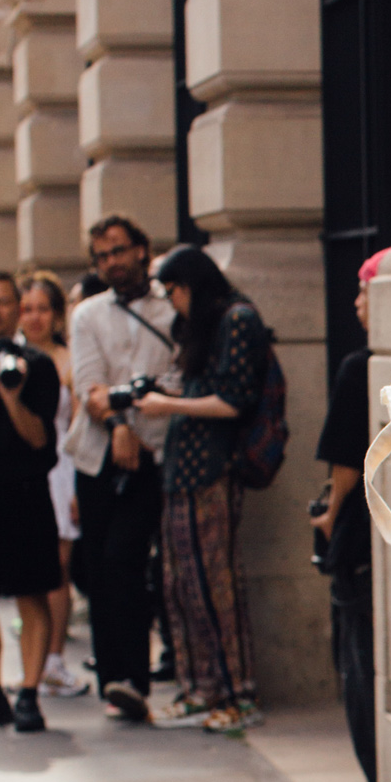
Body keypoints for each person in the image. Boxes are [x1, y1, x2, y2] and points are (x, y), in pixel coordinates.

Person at [133, 245, 272, 732]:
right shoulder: (202, 328)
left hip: (213, 470)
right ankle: (200, 688)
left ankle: (239, 694)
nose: (171, 302)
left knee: (216, 587)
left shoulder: (237, 319)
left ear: (188, 285)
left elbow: (234, 401)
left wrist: (167, 406)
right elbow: (197, 387)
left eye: (171, 291)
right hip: (180, 470)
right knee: (178, 585)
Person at [68, 214, 180, 722]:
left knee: (126, 562)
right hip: (96, 459)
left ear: (141, 249)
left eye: (118, 250)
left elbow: (177, 381)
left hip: (155, 457)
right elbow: (88, 386)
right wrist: (119, 423)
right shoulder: (87, 315)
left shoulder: (171, 309)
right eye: (101, 255)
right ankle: (113, 679)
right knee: (98, 566)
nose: (111, 261)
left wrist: (132, 419)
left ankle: (133, 675)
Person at [0, 269, 62, 733]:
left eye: (5, 302)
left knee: (31, 592)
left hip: (24, 494)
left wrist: (9, 395)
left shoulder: (36, 364)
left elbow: (41, 440)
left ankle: (29, 693)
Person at [311, 247, 390, 782]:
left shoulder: (358, 366)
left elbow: (345, 465)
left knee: (360, 663)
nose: (356, 302)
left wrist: (330, 515)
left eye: (364, 289)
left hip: (362, 530)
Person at [17, 271, 86, 697]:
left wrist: (79, 485)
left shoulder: (68, 359)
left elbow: (78, 424)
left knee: (55, 569)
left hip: (62, 469)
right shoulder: (6, 359)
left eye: (43, 308)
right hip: (20, 474)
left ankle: (54, 660)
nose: (35, 317)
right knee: (27, 573)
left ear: (57, 314)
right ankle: (34, 661)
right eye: (27, 309)